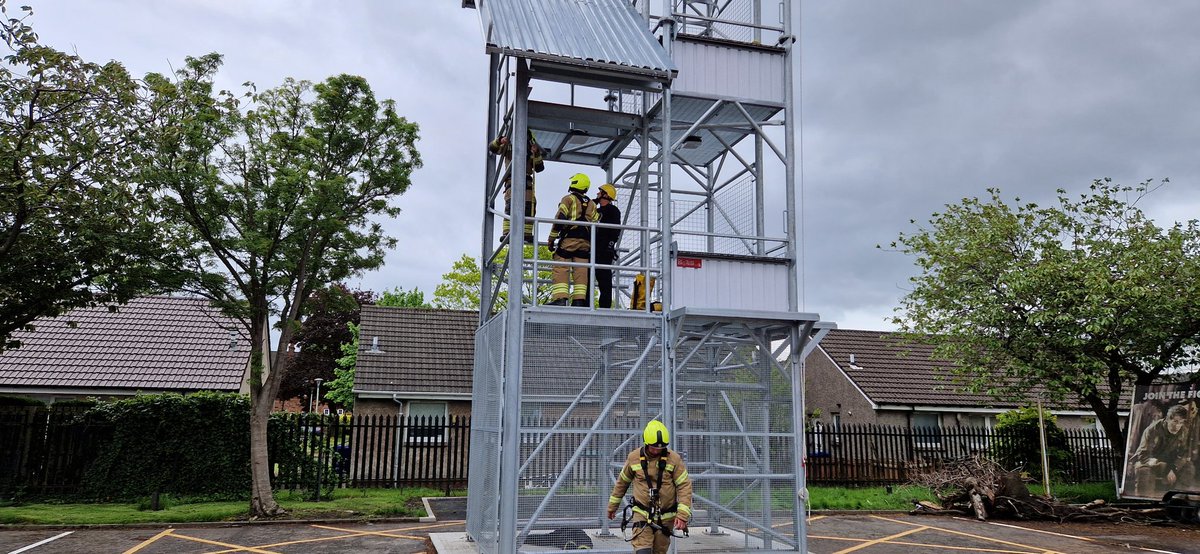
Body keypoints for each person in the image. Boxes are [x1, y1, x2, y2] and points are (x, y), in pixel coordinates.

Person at [607, 420, 692, 554]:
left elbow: (684, 486)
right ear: (646, 443)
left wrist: (682, 515)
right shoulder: (634, 458)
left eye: (661, 448)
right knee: (643, 550)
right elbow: (622, 482)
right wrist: (612, 506)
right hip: (642, 514)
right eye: (653, 447)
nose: (657, 450)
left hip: (665, 517)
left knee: (659, 551)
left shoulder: (674, 460)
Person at [546, 173, 599, 306]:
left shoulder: (568, 199)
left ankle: (561, 299)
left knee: (561, 265)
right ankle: (579, 301)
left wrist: (551, 239)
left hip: (570, 239)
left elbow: (559, 219)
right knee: (581, 269)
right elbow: (596, 221)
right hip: (586, 242)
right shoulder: (592, 204)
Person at [488, 130, 545, 244]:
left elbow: (539, 168)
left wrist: (537, 153)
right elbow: (493, 148)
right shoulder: (508, 145)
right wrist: (500, 140)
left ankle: (527, 234)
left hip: (527, 181)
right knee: (511, 206)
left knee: (529, 207)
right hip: (512, 180)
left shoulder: (531, 149)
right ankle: (507, 233)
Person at [1131, 404, 1194, 495]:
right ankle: (1145, 502)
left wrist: (1173, 468)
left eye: (1181, 422)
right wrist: (1164, 467)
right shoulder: (1152, 430)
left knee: (1189, 467)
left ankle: (1178, 499)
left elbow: (1183, 453)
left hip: (1170, 462)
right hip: (1151, 461)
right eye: (1175, 421)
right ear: (1168, 419)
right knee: (1144, 470)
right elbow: (1142, 454)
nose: (1177, 426)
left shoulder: (1183, 431)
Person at [594, 183, 622, 308]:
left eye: (600, 192)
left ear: (606, 195)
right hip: (593, 248)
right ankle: (585, 304)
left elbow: (615, 230)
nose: (597, 194)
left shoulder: (613, 211)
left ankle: (604, 306)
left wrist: (610, 245)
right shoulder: (596, 210)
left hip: (604, 250)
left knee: (604, 279)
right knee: (588, 276)